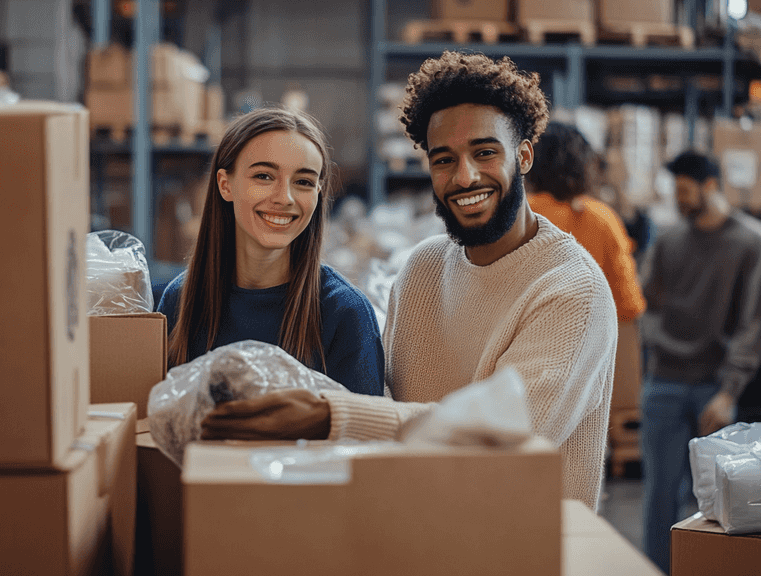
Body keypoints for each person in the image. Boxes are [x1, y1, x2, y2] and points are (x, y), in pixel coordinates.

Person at [200, 51, 618, 511]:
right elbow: (390, 414)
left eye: (484, 152)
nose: (465, 176)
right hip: (420, 536)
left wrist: (329, 416)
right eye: (444, 159)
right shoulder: (423, 269)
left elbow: (500, 439)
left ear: (523, 155)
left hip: (521, 548)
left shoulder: (572, 290)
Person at [157, 106, 384, 397]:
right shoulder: (181, 300)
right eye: (264, 176)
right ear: (225, 185)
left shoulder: (344, 312)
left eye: (303, 182)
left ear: (318, 192)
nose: (284, 198)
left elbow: (366, 438)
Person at [640, 151, 761, 573]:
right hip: (664, 383)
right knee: (659, 496)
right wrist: (657, 343)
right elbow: (647, 301)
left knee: (722, 502)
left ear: (710, 186)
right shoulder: (670, 239)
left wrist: (730, 390)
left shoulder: (749, 242)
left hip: (715, 385)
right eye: (675, 191)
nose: (679, 200)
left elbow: (753, 322)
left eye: (685, 191)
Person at [526, 122, 647, 323]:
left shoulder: (516, 217)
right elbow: (628, 307)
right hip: (587, 347)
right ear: (583, 163)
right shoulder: (600, 219)